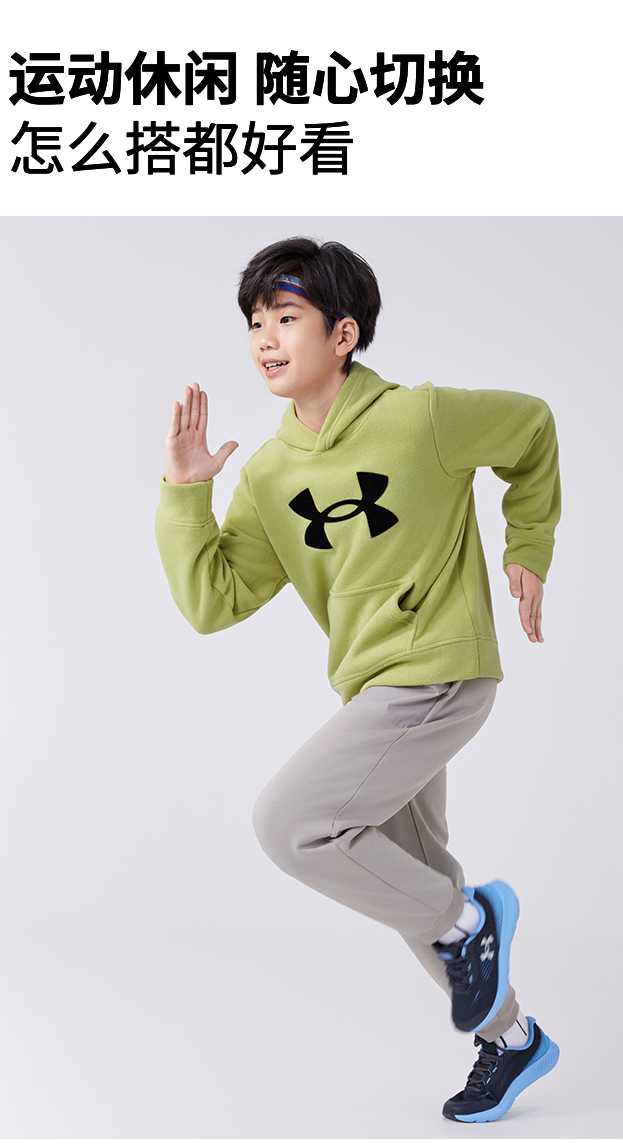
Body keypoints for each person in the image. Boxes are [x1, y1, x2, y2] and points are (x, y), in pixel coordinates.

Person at [155, 236, 562, 1123]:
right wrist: (185, 493)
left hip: (439, 672)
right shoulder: (269, 475)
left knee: (290, 823)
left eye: (286, 317)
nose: (265, 338)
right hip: (376, 693)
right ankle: (513, 1039)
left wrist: (528, 544)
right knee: (411, 875)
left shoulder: (421, 419)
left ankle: (470, 920)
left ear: (343, 334)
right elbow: (214, 601)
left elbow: (531, 427)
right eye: (255, 322)